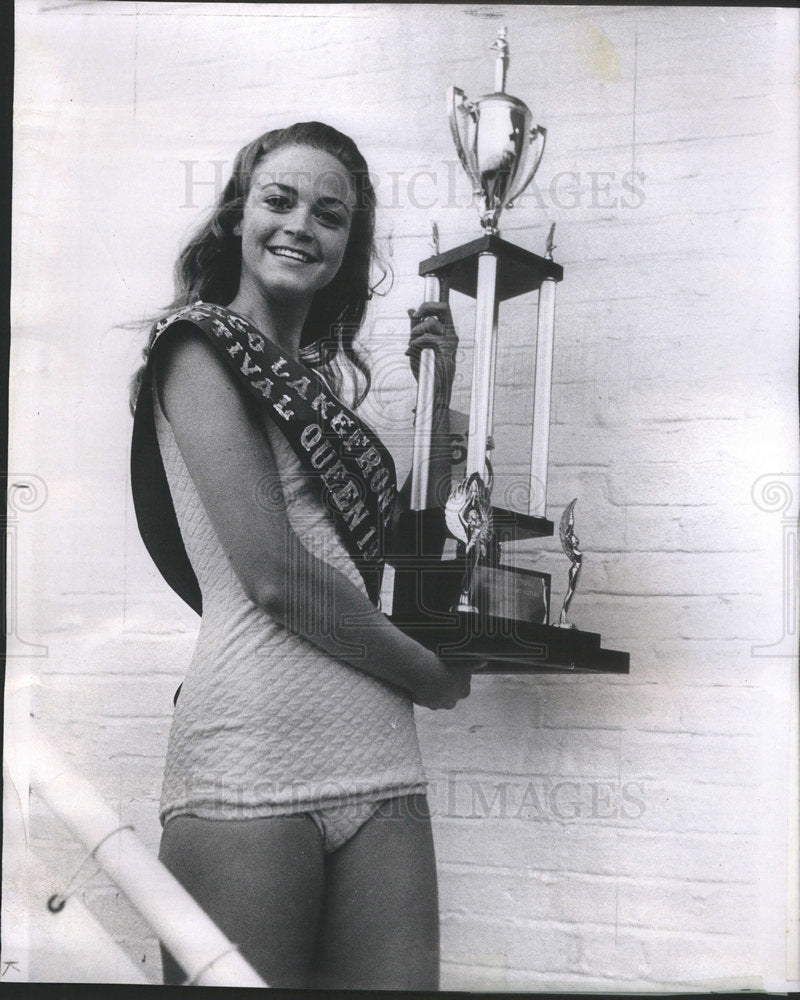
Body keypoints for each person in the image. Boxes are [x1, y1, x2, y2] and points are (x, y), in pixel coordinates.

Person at [129, 121, 476, 989]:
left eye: (330, 214)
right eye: (279, 201)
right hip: (250, 753)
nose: (300, 226)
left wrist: (437, 400)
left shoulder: (319, 397)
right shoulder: (198, 347)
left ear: (348, 244)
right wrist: (425, 675)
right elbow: (275, 576)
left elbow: (396, 566)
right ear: (237, 217)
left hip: (379, 758)